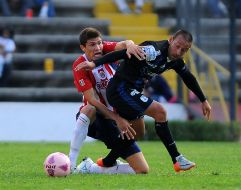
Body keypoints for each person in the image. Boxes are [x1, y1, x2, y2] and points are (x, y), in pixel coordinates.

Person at [76, 29, 212, 172]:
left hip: (131, 92)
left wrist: (203, 100)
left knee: (138, 132)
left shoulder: (175, 60)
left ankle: (106, 161)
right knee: (160, 112)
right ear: (171, 40)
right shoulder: (153, 50)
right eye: (177, 46)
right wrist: (94, 64)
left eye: (184, 50)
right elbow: (123, 54)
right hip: (120, 90)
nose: (178, 52)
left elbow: (188, 77)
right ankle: (177, 159)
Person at [70, 27, 149, 174]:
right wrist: (117, 118)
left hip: (116, 121)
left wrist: (131, 44)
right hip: (97, 120)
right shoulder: (80, 65)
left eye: (100, 43)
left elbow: (125, 43)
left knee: (141, 170)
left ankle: (91, 168)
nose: (98, 47)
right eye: (92, 44)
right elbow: (92, 100)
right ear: (83, 47)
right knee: (89, 108)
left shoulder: (105, 49)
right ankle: (71, 162)